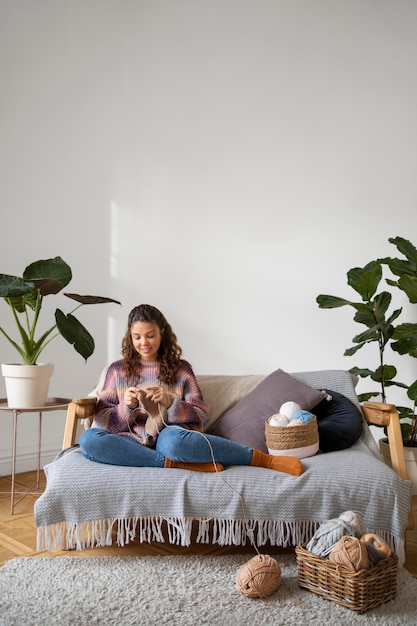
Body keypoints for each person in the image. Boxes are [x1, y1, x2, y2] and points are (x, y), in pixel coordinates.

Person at [80, 304, 303, 476]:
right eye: (137, 337)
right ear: (130, 336)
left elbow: (202, 414)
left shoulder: (181, 370)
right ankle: (173, 464)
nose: (144, 343)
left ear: (162, 333)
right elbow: (101, 418)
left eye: (150, 335)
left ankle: (263, 460)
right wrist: (125, 407)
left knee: (175, 442)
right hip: (129, 440)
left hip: (169, 436)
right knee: (89, 440)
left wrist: (170, 403)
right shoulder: (117, 371)